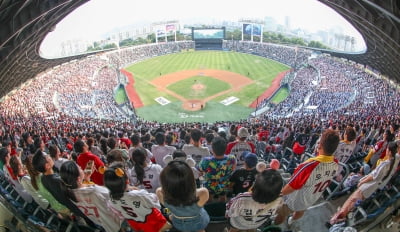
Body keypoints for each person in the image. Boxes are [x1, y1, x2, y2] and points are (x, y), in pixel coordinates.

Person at [274, 129, 340, 226]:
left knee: (281, 213)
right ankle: (291, 220)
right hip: (312, 197)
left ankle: (275, 224)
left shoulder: (309, 166)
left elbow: (291, 187)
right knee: (301, 211)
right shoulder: (335, 163)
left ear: (319, 145)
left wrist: (278, 195)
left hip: (295, 199)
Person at [329, 141, 400, 225]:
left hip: (368, 186)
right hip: (373, 187)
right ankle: (341, 215)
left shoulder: (385, 164)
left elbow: (373, 176)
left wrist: (362, 181)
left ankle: (336, 218)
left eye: (387, 149)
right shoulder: (396, 159)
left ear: (390, 152)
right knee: (354, 202)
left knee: (351, 200)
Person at [104, 162, 171, 232]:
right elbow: (156, 203)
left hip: (136, 222)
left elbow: (119, 214)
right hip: (154, 221)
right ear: (127, 180)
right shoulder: (139, 194)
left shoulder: (110, 200)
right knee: (165, 208)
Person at [59, 161, 122, 232]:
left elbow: (83, 191)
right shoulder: (94, 190)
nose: (81, 168)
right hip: (116, 221)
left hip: (102, 223)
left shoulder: (69, 193)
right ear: (78, 179)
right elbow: (113, 193)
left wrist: (87, 180)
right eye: (79, 168)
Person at [156, 160, 210, 232]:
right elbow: (201, 193)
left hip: (178, 223)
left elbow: (160, 189)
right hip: (198, 222)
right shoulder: (203, 192)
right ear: (191, 180)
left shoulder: (160, 193)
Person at [199, 137, 236, 202]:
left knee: (209, 199)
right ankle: (222, 208)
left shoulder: (206, 161)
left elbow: (201, 169)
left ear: (212, 149)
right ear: (225, 148)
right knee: (223, 198)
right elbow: (233, 168)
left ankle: (210, 209)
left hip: (210, 185)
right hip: (224, 185)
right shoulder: (231, 159)